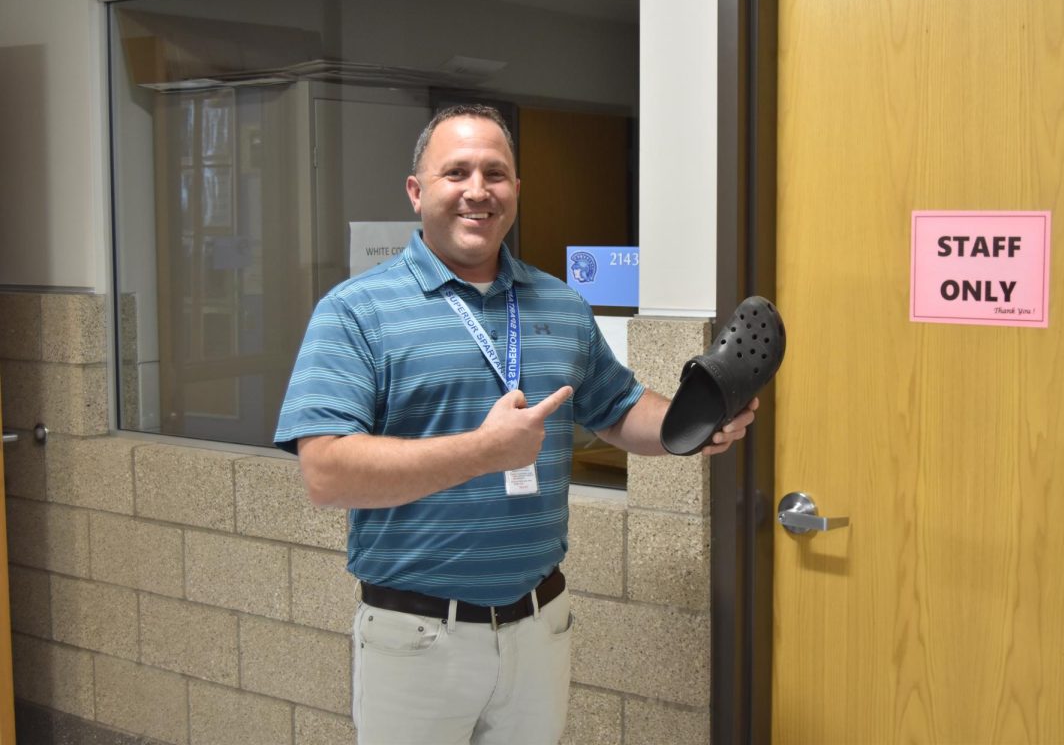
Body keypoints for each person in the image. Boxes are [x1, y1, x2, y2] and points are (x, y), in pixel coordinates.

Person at [274, 104, 757, 745]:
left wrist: (693, 424)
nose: (479, 191)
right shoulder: (356, 311)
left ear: (517, 191)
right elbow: (326, 473)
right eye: (457, 173)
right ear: (417, 192)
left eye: (496, 173)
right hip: (417, 636)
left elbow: (617, 409)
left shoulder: (559, 302)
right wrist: (482, 451)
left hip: (538, 626)